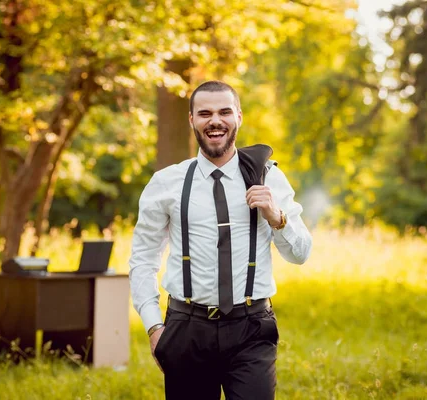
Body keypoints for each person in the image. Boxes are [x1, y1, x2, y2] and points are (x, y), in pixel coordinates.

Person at [129, 80, 313, 400]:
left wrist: (276, 217)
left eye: (224, 112)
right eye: (205, 113)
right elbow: (143, 258)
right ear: (192, 120)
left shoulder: (270, 178)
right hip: (186, 328)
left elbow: (300, 254)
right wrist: (154, 326)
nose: (215, 120)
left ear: (238, 117)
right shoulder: (167, 182)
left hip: (252, 328)